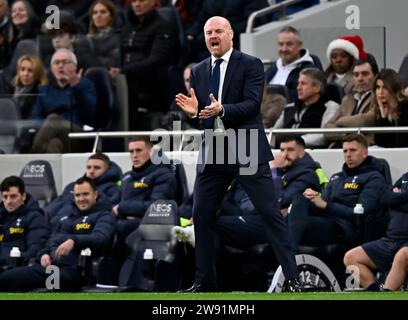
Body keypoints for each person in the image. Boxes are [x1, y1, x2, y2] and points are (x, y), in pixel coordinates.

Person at [175, 16, 302, 292]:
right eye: (209, 32)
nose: (213, 36)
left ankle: (293, 279)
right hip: (215, 151)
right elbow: (203, 118)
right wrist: (194, 113)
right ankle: (204, 282)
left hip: (245, 146)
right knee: (203, 215)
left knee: (269, 213)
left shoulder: (250, 64)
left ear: (231, 35)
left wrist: (222, 110)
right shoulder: (198, 70)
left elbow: (252, 105)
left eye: (218, 31)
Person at [0, 176, 116, 291]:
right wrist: (43, 255)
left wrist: (74, 240)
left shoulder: (104, 216)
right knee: (7, 278)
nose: (81, 199)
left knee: (55, 280)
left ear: (95, 195)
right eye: (77, 195)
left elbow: (101, 238)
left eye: (85, 194)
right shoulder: (66, 219)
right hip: (50, 267)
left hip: (77, 270)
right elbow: (50, 243)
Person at [288, 134, 387, 253]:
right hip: (326, 220)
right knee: (299, 200)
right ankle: (288, 253)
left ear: (365, 153)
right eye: (345, 151)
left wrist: (326, 205)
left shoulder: (374, 178)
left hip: (345, 227)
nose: (348, 154)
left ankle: (288, 254)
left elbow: (362, 213)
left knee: (294, 226)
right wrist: (314, 198)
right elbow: (322, 203)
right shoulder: (336, 177)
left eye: (353, 150)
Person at [109, 0, 177, 131]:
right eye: (134, 1)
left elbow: (157, 59)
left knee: (128, 81)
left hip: (149, 80)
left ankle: (127, 133)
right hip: (124, 76)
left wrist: (123, 71)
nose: (137, 4)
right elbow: (119, 53)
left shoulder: (163, 25)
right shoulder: (128, 26)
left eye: (142, 0)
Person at [344, 171, 408, 291]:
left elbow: (393, 200)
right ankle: (374, 291)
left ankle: (386, 294)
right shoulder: (405, 177)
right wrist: (404, 197)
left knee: (402, 255)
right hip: (390, 240)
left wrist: (398, 199)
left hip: (406, 244)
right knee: (351, 257)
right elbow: (385, 198)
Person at [30, 48, 97, 153]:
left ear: (74, 66)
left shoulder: (85, 85)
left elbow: (90, 114)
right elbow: (36, 118)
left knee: (54, 119)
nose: (60, 66)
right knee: (54, 144)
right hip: (52, 133)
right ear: (52, 68)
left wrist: (75, 87)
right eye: (56, 63)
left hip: (78, 134)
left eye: (65, 62)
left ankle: (32, 156)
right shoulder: (45, 90)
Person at [113, 136, 177, 243]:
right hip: (123, 224)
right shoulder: (126, 177)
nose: (134, 155)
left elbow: (158, 208)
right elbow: (113, 203)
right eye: (131, 151)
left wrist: (122, 208)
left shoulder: (163, 175)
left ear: (150, 152)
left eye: (138, 150)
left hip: (149, 228)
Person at [46, 153, 122, 223]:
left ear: (106, 170)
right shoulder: (72, 186)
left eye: (97, 168)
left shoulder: (112, 189)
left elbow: (108, 209)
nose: (91, 171)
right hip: (56, 224)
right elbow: (55, 205)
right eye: (89, 167)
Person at [273, 67, 337, 148]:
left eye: (303, 83)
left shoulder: (329, 107)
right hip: (282, 150)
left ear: (316, 88)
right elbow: (273, 132)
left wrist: (296, 143)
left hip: (311, 152)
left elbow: (324, 135)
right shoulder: (289, 108)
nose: (298, 87)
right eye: (298, 83)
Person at [324, 59, 378, 147]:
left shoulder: (379, 97)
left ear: (375, 77)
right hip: (338, 148)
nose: (360, 79)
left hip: (365, 149)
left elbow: (364, 121)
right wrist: (349, 134)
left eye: (365, 74)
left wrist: (340, 121)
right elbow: (327, 129)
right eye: (356, 75)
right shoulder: (347, 99)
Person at [0, 176, 49, 270]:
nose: (8, 201)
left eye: (13, 196)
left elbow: (34, 252)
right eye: (5, 197)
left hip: (16, 269)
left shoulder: (35, 218)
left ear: (23, 196)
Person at [265, 26, 315, 103]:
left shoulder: (309, 71)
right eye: (281, 44)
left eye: (289, 44)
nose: (284, 49)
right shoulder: (272, 69)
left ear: (300, 45)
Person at [372, 68, 408, 148]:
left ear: (394, 89)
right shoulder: (380, 108)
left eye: (385, 88)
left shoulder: (406, 106)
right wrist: (384, 118)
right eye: (378, 87)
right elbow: (380, 141)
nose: (380, 92)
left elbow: (404, 141)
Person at [86, 0, 121, 70]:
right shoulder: (85, 39)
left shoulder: (118, 38)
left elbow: (113, 62)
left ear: (111, 16)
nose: (98, 15)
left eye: (103, 12)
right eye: (95, 13)